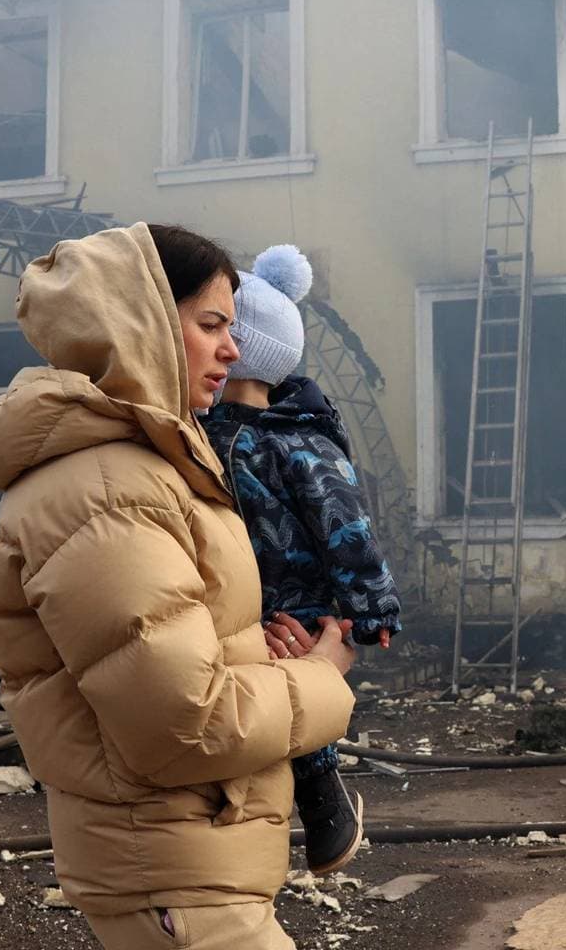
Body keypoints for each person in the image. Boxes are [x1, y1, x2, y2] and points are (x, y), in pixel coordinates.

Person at [0, 223, 356, 950]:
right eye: (211, 325)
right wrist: (321, 673)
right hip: (177, 875)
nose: (232, 350)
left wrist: (258, 655)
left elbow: (166, 664)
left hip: (194, 863)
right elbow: (185, 724)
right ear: (138, 324)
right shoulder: (108, 490)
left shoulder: (143, 467)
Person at [200, 245, 403, 876]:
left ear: (237, 347)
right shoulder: (208, 432)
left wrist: (370, 605)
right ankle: (294, 819)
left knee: (290, 703)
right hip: (245, 598)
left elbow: (345, 525)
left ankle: (319, 808)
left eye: (222, 330)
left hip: (281, 597)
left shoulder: (286, 439)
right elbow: (347, 527)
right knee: (265, 710)